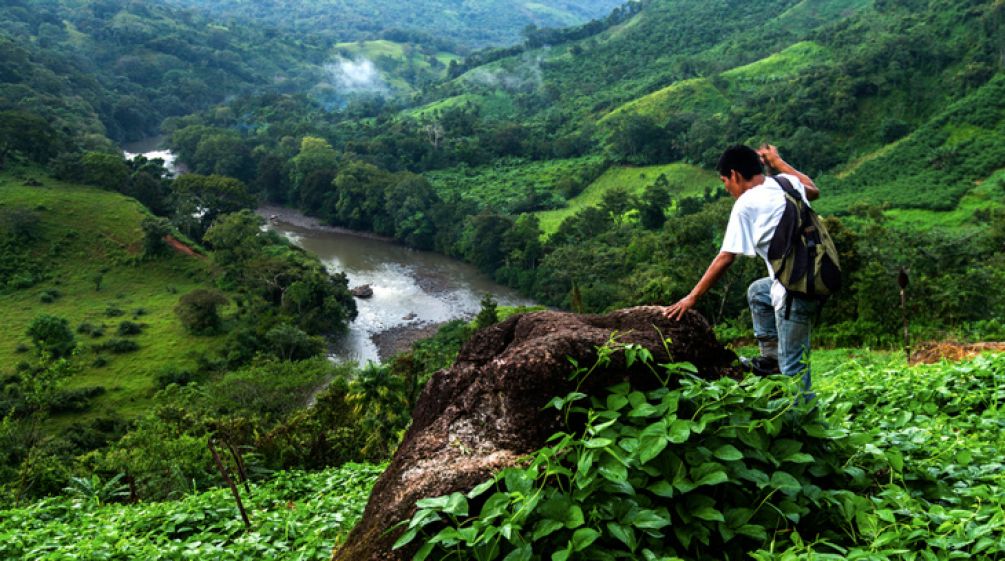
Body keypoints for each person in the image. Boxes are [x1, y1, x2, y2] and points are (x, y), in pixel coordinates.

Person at [663, 144, 820, 394]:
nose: (727, 188)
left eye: (725, 180)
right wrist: (778, 162)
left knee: (796, 374)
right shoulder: (785, 184)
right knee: (759, 291)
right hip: (816, 275)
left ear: (734, 175)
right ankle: (771, 361)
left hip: (793, 291)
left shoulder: (746, 203)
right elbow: (813, 190)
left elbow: (726, 257)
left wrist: (691, 298)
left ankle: (803, 426)